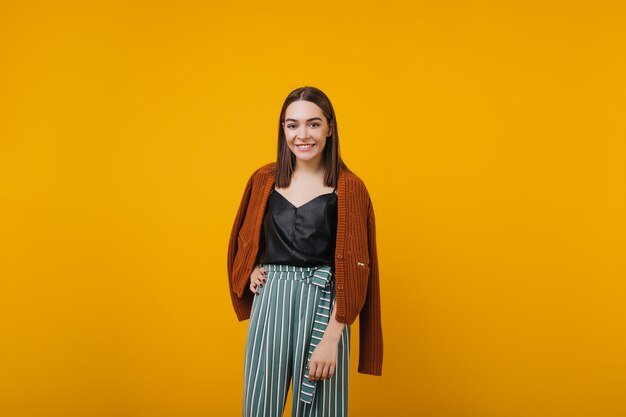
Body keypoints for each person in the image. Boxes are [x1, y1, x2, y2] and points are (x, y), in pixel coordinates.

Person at [227, 86, 383, 417]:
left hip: (326, 304)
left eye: (313, 124)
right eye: (292, 125)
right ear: (283, 129)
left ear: (330, 127)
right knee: (259, 405)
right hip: (272, 300)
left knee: (322, 408)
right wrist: (252, 268)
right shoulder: (263, 180)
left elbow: (356, 267)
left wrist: (334, 336)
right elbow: (246, 237)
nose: (302, 135)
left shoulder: (350, 188)